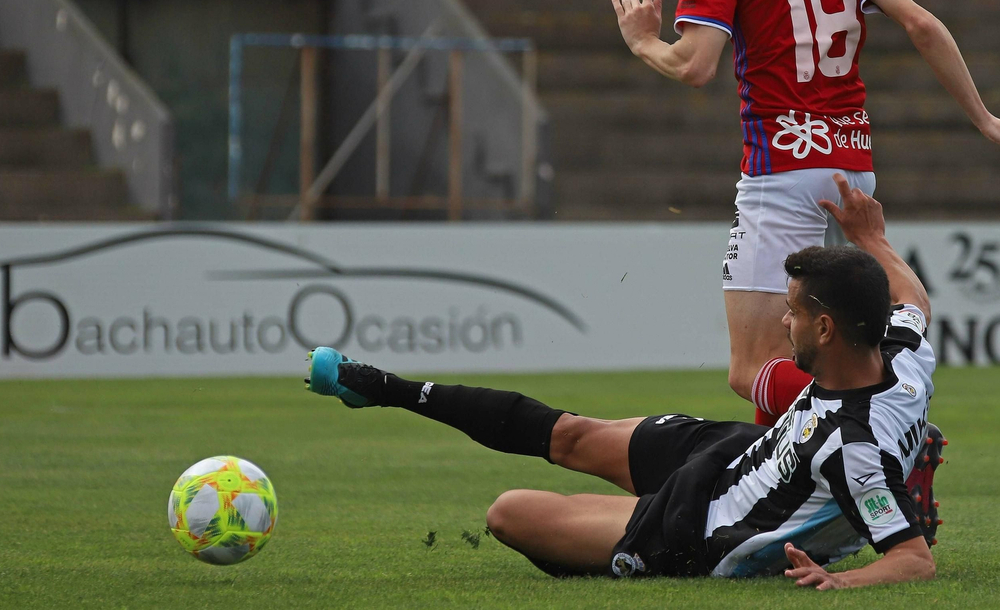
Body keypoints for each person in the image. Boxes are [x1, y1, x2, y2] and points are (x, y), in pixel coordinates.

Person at [609, 0, 1000, 427]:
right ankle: (796, 477)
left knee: (751, 368)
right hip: (852, 169)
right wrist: (984, 118)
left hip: (783, 169)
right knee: (807, 351)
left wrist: (642, 42)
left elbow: (694, 65)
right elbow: (922, 25)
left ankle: (889, 422)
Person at [304, 175, 943, 589]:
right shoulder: (903, 348)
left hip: (703, 524)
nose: (783, 320)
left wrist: (841, 582)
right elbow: (913, 299)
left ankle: (884, 496)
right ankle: (384, 387)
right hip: (736, 451)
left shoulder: (855, 447)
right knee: (572, 435)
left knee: (508, 513)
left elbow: (914, 560)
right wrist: (873, 239)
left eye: (794, 312)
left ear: (827, 329)